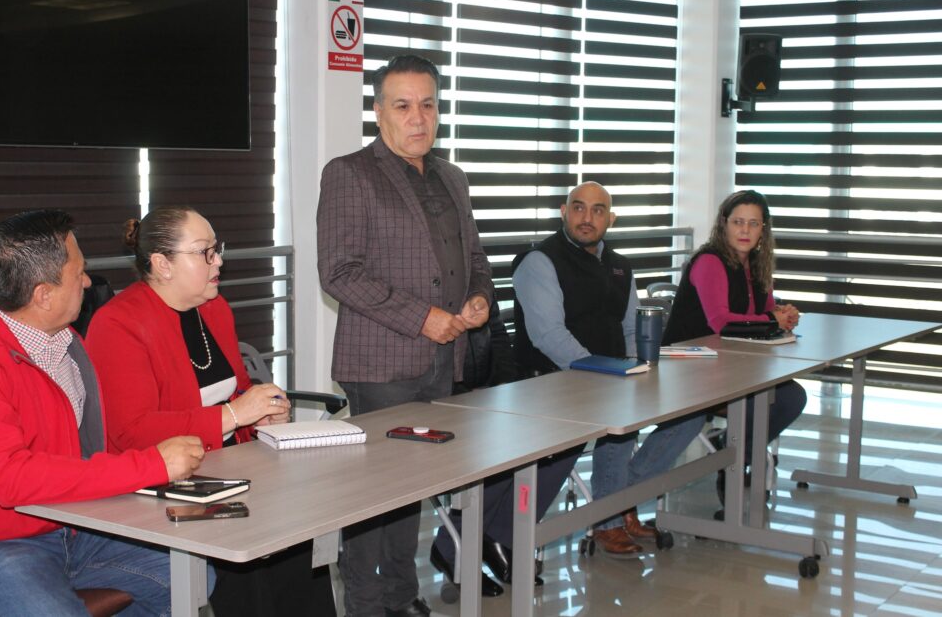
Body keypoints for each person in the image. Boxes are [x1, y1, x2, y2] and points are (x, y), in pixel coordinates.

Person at [0, 209, 207, 616]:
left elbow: (83, 456)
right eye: (79, 273)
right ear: (43, 295)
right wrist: (151, 466)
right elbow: (12, 480)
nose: (88, 282)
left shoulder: (65, 342)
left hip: (68, 526)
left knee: (190, 572)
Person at [85, 206, 336, 617]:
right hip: (157, 482)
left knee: (297, 536)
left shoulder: (214, 309)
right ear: (162, 265)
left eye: (217, 249)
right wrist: (235, 416)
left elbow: (236, 389)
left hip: (228, 470)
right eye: (204, 252)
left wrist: (263, 413)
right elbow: (131, 431)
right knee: (249, 550)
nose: (218, 261)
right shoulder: (118, 324)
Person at [317, 54, 493, 617]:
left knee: (413, 487)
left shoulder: (453, 177)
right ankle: (367, 604)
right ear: (378, 112)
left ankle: (401, 595)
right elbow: (339, 272)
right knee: (375, 499)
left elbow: (475, 259)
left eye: (428, 104)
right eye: (403, 105)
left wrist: (479, 300)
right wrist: (422, 317)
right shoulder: (349, 173)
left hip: (445, 361)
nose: (418, 118)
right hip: (381, 365)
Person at [512, 182, 706, 557]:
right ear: (563, 212)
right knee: (619, 422)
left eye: (598, 210)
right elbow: (549, 336)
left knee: (689, 415)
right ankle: (609, 519)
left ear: (610, 219)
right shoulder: (540, 261)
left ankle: (620, 501)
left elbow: (631, 328)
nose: (588, 218)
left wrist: (639, 370)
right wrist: (604, 375)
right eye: (579, 208)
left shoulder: (620, 265)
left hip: (614, 376)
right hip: (557, 381)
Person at [663, 189, 806, 499]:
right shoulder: (709, 261)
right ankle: (733, 460)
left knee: (791, 397)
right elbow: (721, 321)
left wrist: (781, 313)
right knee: (761, 400)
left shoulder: (756, 262)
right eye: (738, 222)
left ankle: (733, 452)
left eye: (754, 224)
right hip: (689, 363)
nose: (745, 230)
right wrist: (772, 320)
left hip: (732, 361)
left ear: (763, 229)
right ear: (724, 224)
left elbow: (763, 309)